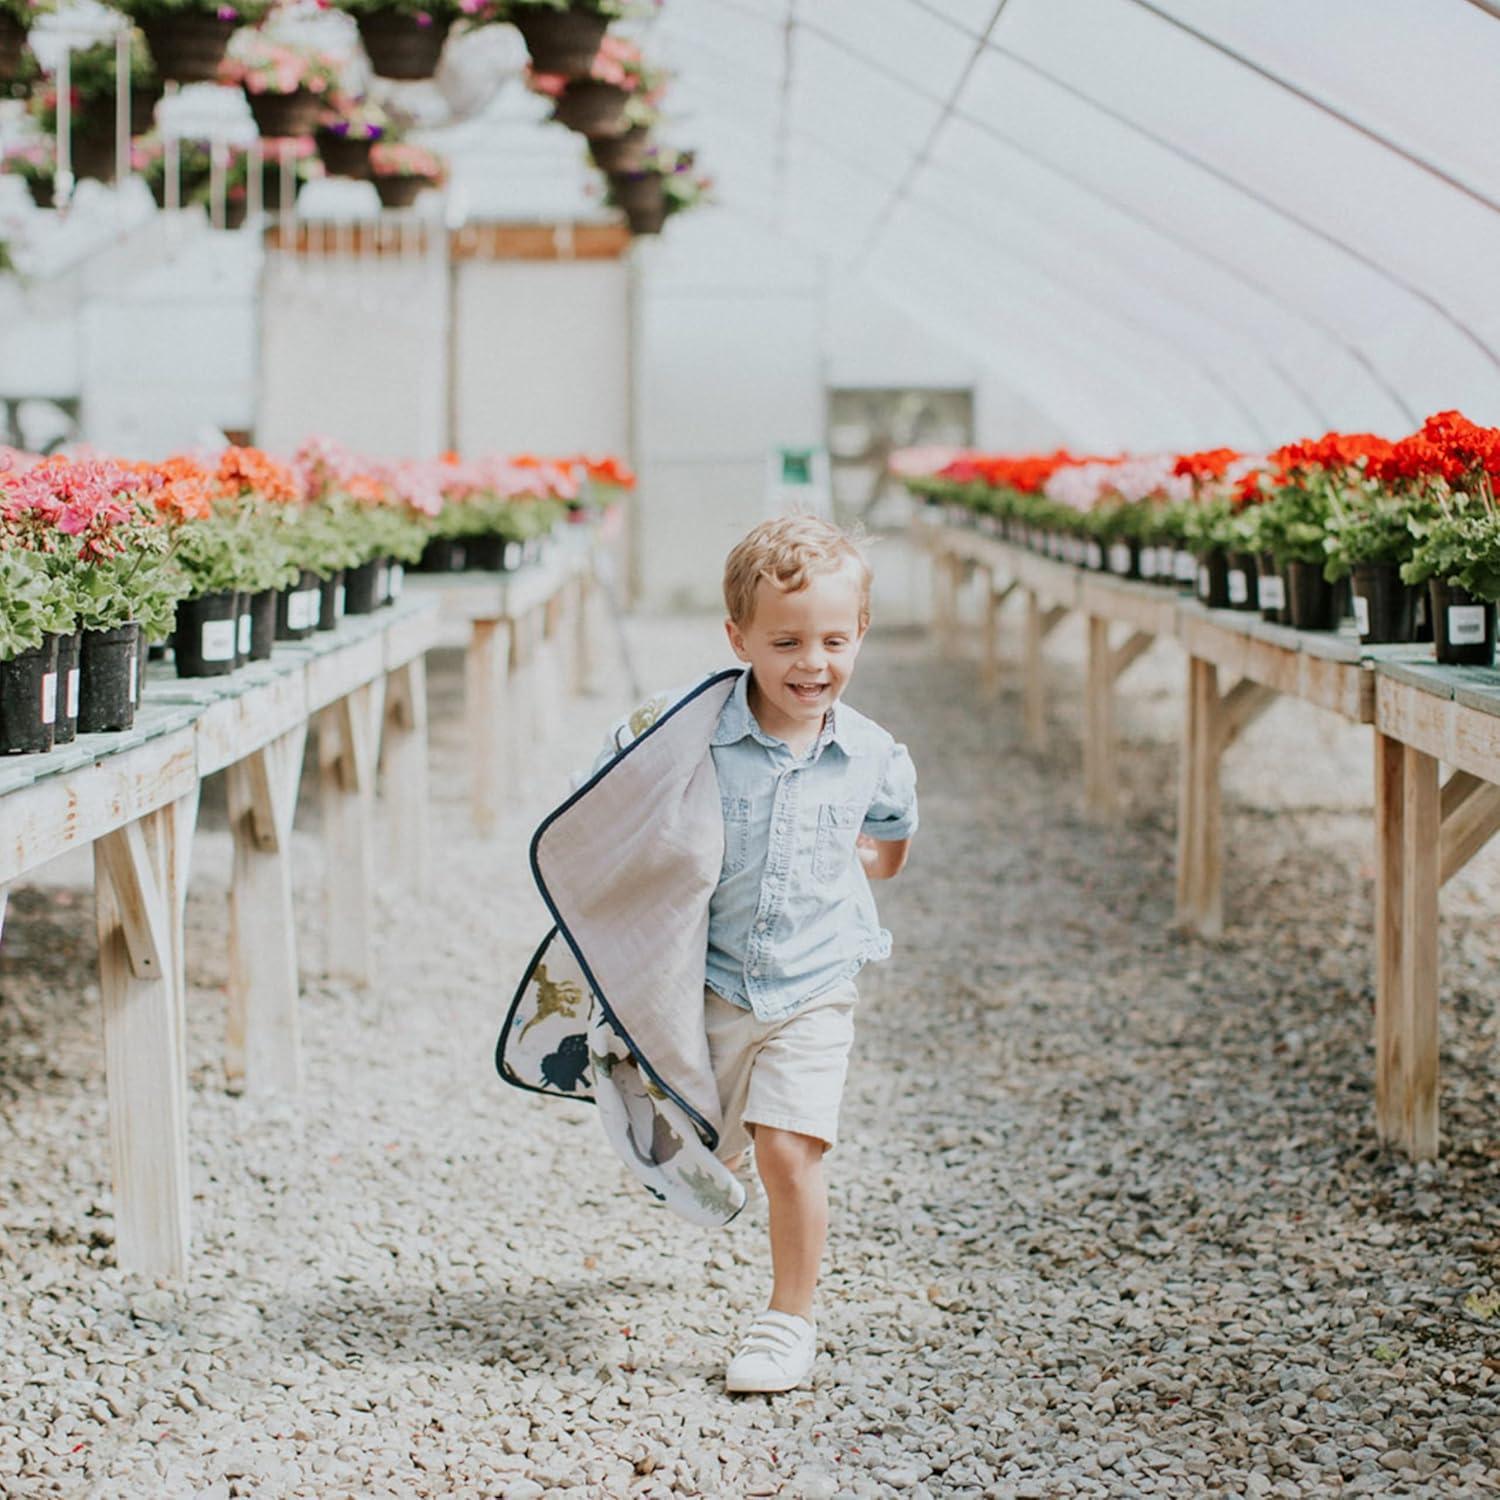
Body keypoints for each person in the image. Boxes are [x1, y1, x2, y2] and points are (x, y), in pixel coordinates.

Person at [700, 514, 919, 1393]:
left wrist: (871, 865)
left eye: (834, 639)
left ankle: (788, 1319)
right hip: (709, 982)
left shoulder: (870, 753)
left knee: (792, 1150)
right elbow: (613, 805)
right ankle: (721, 1142)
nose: (812, 662)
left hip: (815, 982)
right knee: (701, 1154)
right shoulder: (696, 738)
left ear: (860, 633)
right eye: (785, 641)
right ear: (738, 638)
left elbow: (893, 834)